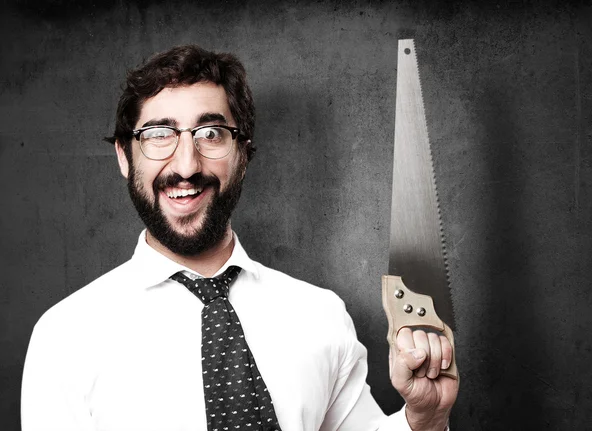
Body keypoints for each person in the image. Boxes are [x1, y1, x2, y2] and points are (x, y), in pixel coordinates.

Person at [21, 45, 458, 431]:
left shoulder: (320, 316)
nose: (187, 165)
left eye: (211, 134)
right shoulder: (65, 338)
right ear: (124, 155)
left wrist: (425, 420)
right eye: (158, 135)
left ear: (243, 153)